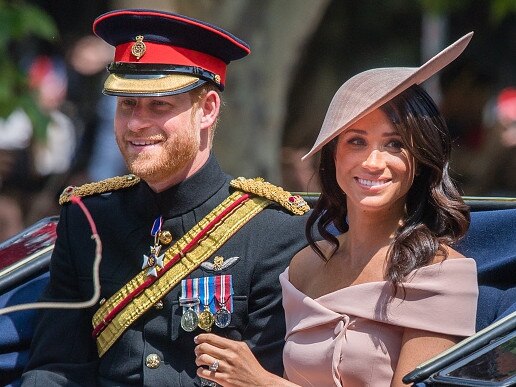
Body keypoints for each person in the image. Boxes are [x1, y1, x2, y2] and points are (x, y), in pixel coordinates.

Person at [21, 9, 312, 387]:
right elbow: (55, 369)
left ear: (207, 110)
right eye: (127, 104)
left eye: (159, 105)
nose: (137, 123)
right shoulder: (87, 219)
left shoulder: (275, 230)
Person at [194, 33, 479, 386]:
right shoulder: (304, 266)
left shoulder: (441, 272)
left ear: (420, 159)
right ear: (334, 157)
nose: (373, 162)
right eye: (356, 141)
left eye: (394, 144)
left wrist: (262, 383)